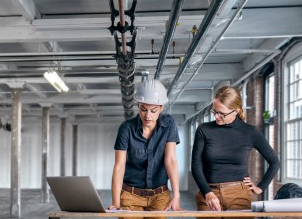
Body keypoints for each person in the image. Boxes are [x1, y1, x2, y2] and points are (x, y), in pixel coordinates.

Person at [192, 85, 280, 215]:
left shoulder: (250, 132)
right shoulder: (204, 129)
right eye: (214, 111)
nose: (216, 117)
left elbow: (274, 162)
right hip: (209, 192)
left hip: (239, 193)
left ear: (236, 111)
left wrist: (260, 187)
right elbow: (196, 164)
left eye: (221, 113)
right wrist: (207, 193)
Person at [109, 79, 184, 216]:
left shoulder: (169, 125)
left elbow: (171, 160)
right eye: (143, 109)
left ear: (161, 108)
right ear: (138, 105)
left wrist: (177, 195)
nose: (147, 115)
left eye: (153, 110)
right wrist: (115, 202)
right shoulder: (126, 129)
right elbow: (119, 166)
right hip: (130, 196)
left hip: (159, 197)